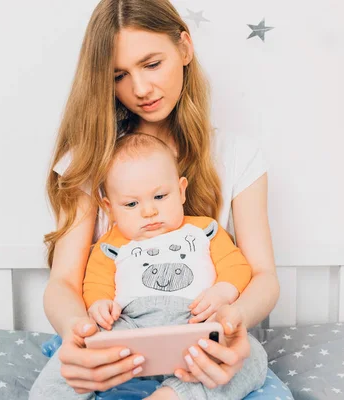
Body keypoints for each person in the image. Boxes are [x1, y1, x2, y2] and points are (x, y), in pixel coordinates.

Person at [30, 0, 281, 399]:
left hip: (201, 351)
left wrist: (235, 318)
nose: (140, 89)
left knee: (252, 369)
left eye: (151, 64)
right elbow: (63, 282)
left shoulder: (238, 155)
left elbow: (263, 277)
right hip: (117, 348)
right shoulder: (87, 159)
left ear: (184, 47)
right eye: (119, 76)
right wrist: (79, 332)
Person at [47, 133, 268, 399]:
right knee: (72, 359)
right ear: (109, 207)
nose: (149, 211)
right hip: (129, 327)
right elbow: (95, 282)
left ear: (181, 190)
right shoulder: (111, 244)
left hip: (194, 325)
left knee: (252, 355)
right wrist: (99, 305)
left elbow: (237, 266)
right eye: (131, 204)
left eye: (161, 196)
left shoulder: (204, 230)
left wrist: (223, 292)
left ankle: (173, 395)